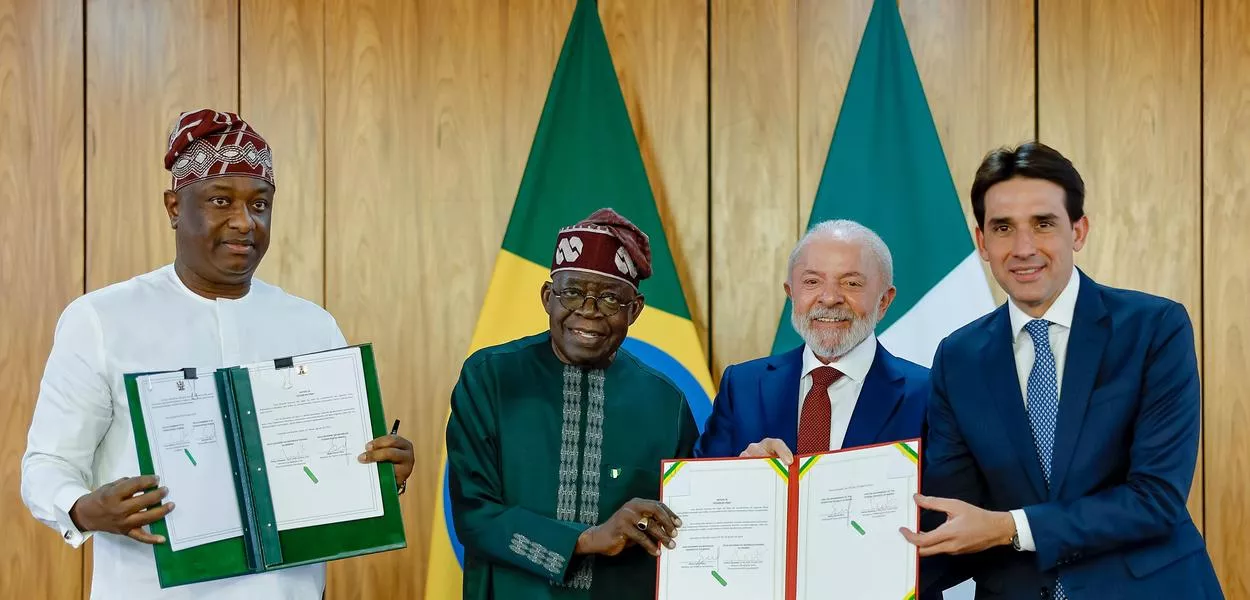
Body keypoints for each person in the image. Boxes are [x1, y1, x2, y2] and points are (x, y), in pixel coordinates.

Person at [19, 109, 415, 599]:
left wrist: (383, 472)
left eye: (261, 204)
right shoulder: (102, 320)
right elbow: (46, 464)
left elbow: (330, 472)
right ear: (173, 207)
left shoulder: (312, 325)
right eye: (220, 201)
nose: (244, 223)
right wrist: (83, 508)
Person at [905, 142, 1223, 599]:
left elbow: (1156, 499)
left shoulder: (1154, 328)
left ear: (1078, 230)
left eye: (1043, 223)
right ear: (982, 243)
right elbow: (952, 515)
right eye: (1003, 228)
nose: (1023, 248)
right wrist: (792, 505)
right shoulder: (958, 358)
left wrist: (1010, 527)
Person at [446, 208, 699, 600]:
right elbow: (475, 516)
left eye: (611, 299)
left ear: (635, 310)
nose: (588, 310)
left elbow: (687, 524)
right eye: (572, 292)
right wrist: (588, 539)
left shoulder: (667, 404)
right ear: (548, 297)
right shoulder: (489, 379)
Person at [695, 219, 930, 465]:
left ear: (884, 301)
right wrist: (741, 473)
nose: (829, 298)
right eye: (812, 282)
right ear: (791, 294)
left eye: (851, 283)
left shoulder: (928, 394)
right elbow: (699, 492)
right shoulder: (742, 387)